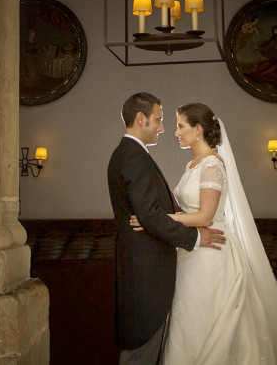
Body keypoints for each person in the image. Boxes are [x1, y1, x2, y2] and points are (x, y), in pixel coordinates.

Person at [133, 102, 277, 364]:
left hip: (211, 252)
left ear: (199, 129)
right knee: (188, 317)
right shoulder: (193, 164)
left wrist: (156, 219)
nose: (176, 132)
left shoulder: (212, 165)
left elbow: (205, 215)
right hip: (191, 251)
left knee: (207, 317)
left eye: (181, 126)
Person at [107, 92, 226, 364]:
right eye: (159, 120)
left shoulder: (129, 154)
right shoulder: (133, 156)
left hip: (156, 266)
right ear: (141, 119)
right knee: (142, 348)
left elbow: (157, 214)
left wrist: (163, 219)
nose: (163, 128)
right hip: (146, 269)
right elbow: (150, 215)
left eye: (176, 124)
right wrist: (194, 238)